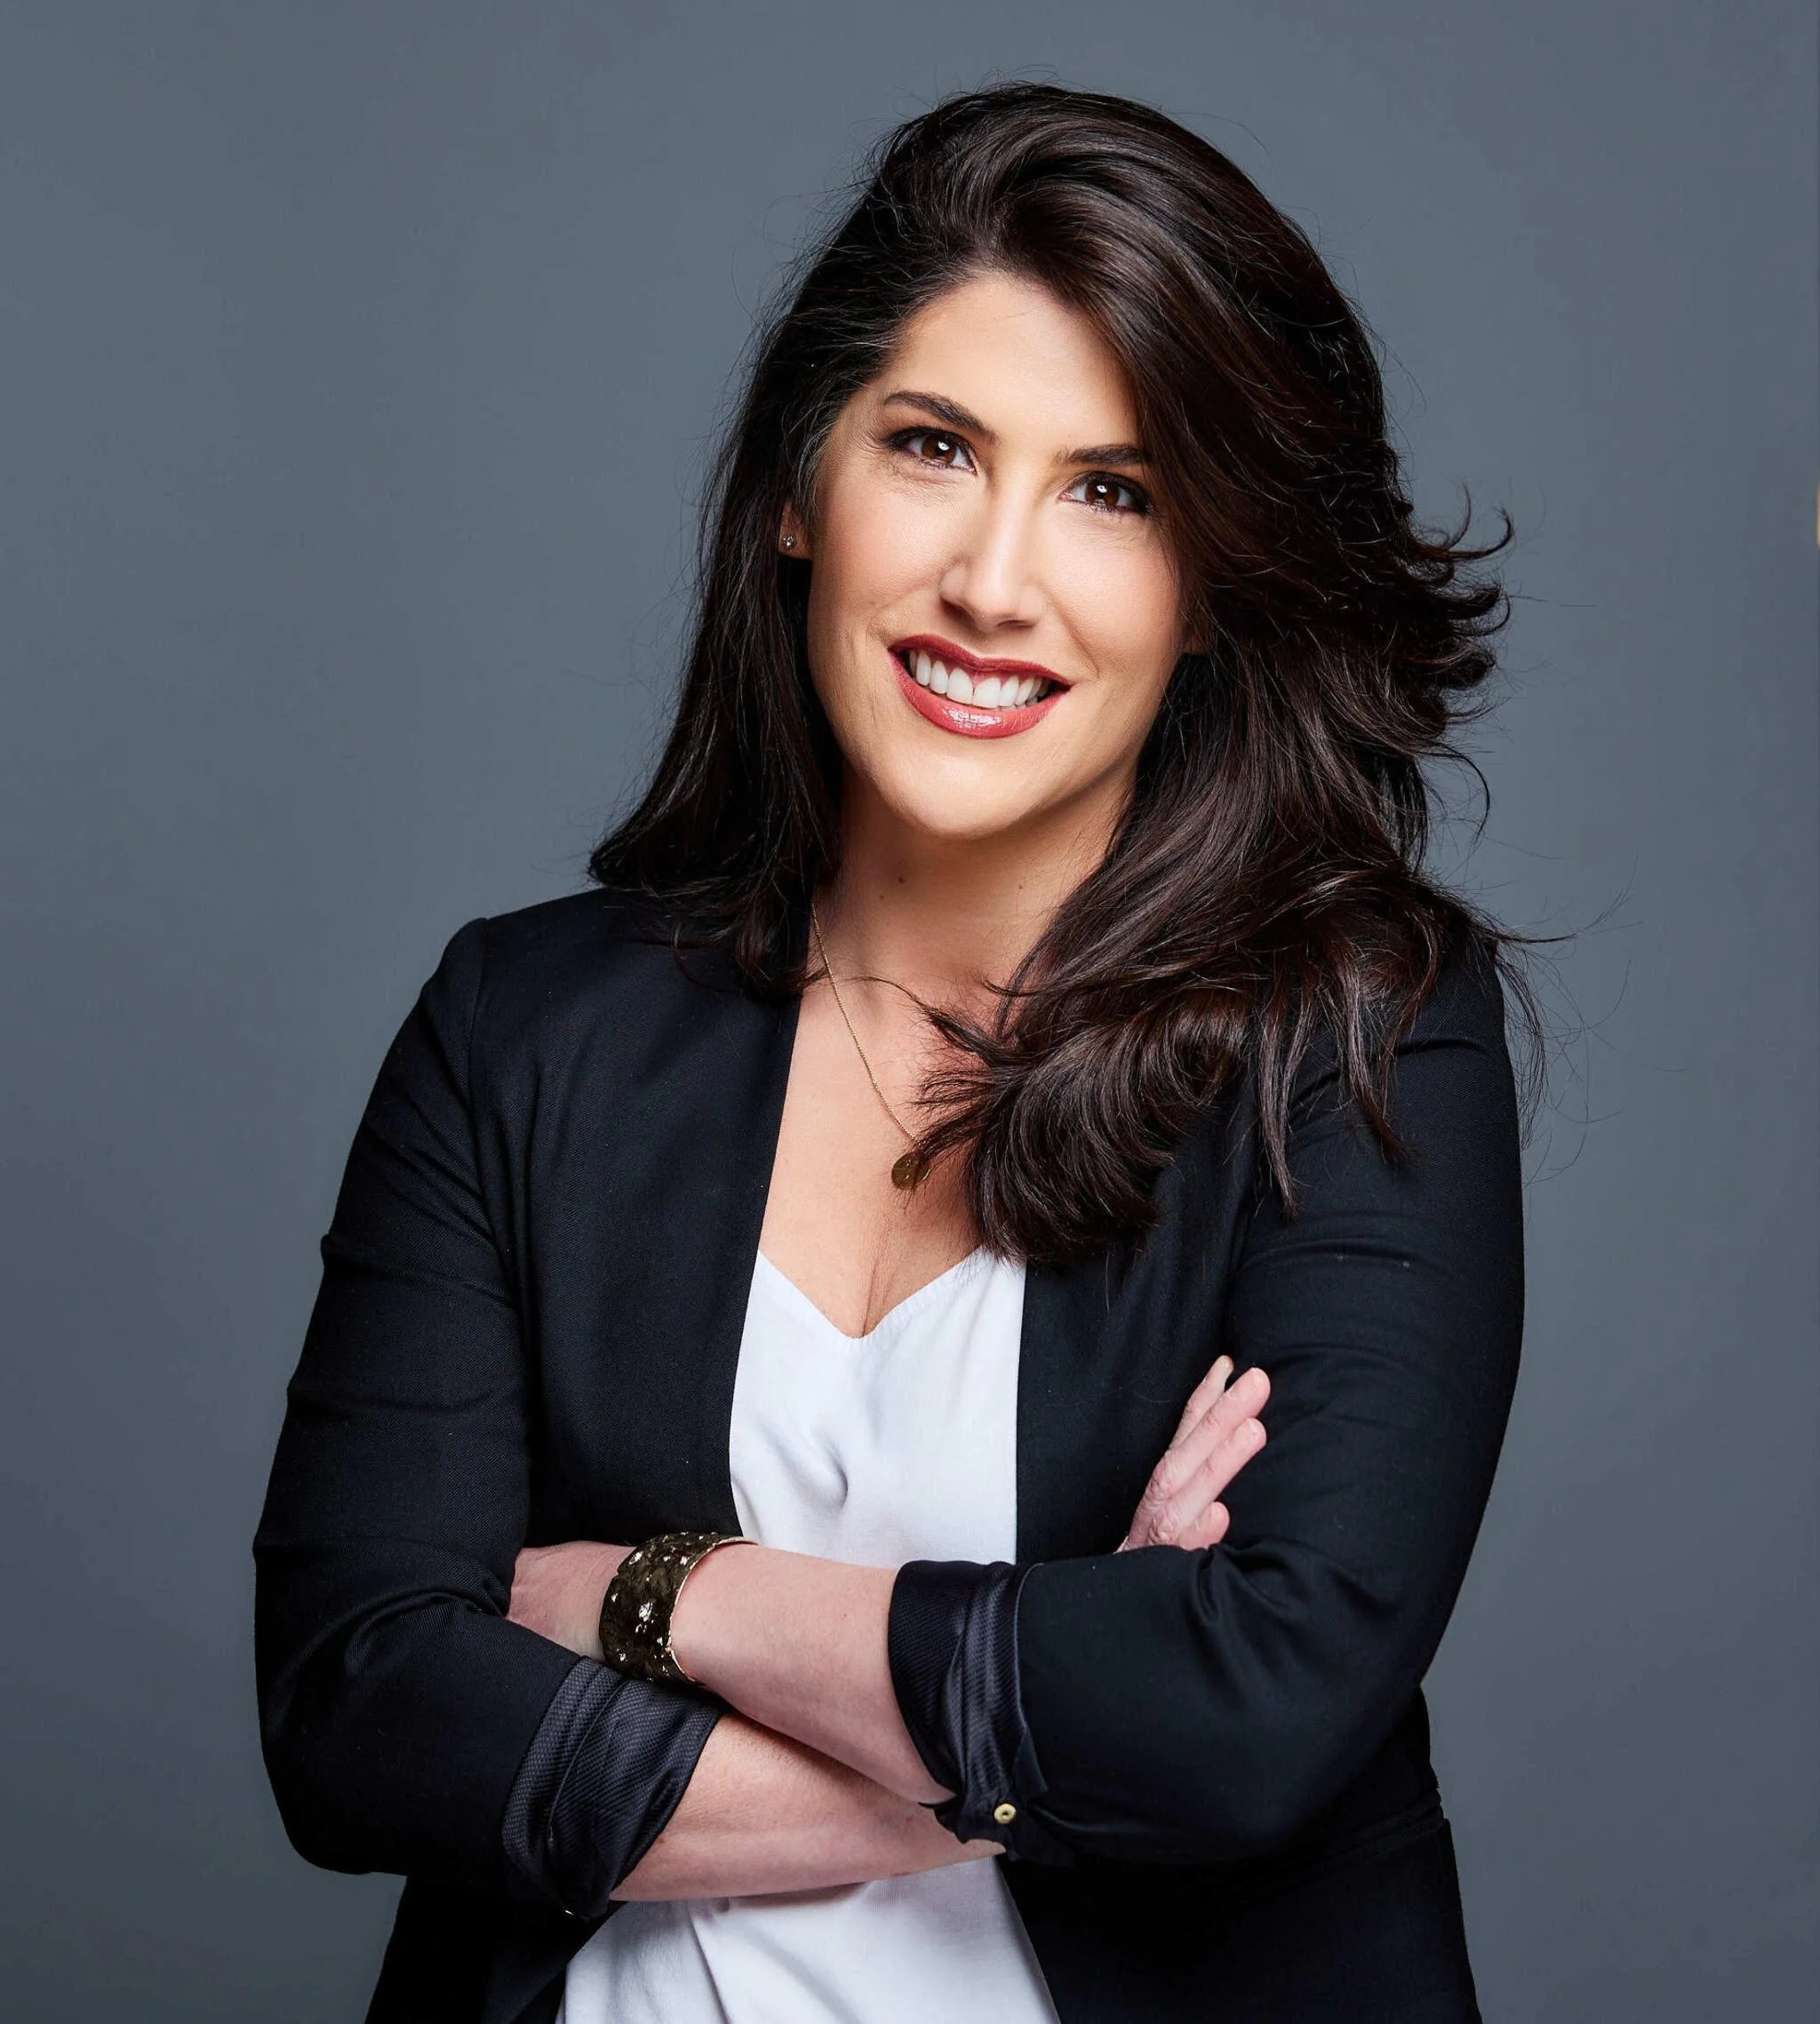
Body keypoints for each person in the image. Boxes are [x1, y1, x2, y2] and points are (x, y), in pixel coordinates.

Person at [254, 82, 1531, 2024]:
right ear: (797, 484)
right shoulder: (521, 1030)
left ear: (1207, 592)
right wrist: (1047, 1711)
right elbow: (363, 1704)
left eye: (1115, 490)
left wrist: (654, 1596)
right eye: (933, 447)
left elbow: (1252, 1708)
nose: (994, 582)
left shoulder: (1351, 1039)